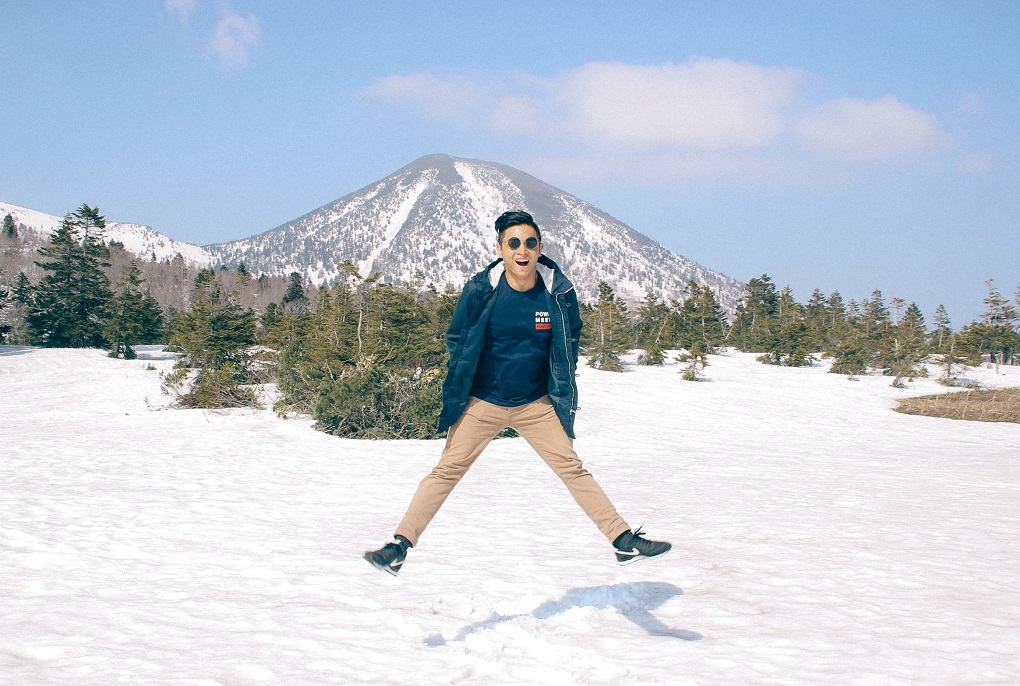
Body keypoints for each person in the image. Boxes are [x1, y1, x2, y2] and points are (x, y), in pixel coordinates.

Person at [364, 210, 670, 576]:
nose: (521, 250)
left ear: (540, 248)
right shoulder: (481, 290)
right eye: (513, 243)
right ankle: (400, 546)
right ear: (500, 249)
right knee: (446, 471)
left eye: (529, 243)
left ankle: (622, 540)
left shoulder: (558, 292)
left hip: (535, 404)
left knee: (572, 468)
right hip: (483, 401)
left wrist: (558, 382)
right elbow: (457, 336)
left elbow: (571, 336)